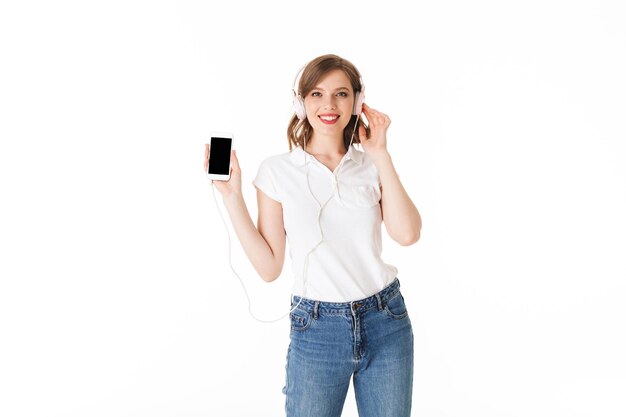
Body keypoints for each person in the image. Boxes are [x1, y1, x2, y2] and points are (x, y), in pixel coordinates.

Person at [204, 54, 422, 417]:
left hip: (386, 321)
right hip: (318, 329)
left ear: (357, 102)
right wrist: (232, 198)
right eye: (317, 94)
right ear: (300, 101)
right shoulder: (276, 171)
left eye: (340, 94)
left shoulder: (371, 163)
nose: (329, 105)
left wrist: (380, 152)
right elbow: (269, 267)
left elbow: (408, 233)